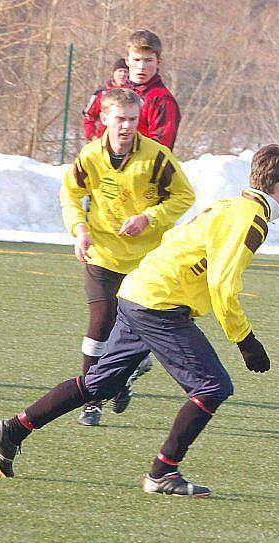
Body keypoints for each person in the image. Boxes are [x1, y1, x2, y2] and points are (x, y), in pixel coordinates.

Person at [0, 144, 279, 497]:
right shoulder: (251, 218)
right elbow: (222, 284)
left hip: (139, 291)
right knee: (213, 387)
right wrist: (245, 340)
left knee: (101, 384)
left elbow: (176, 240)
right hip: (159, 304)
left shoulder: (230, 204)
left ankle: (13, 429)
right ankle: (162, 473)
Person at [61, 87, 195, 427]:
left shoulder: (157, 157)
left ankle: (127, 372)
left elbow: (184, 196)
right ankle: (91, 401)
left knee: (138, 331)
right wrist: (80, 230)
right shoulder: (89, 157)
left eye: (133, 119)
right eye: (120, 119)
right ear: (105, 119)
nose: (126, 126)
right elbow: (70, 196)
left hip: (146, 261)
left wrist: (149, 217)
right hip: (102, 253)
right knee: (101, 322)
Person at [125, 29, 180, 150]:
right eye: (137, 60)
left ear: (158, 62)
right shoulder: (117, 93)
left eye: (148, 60)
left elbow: (160, 150)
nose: (141, 67)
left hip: (141, 166)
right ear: (127, 60)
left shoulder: (162, 100)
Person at [81, 58, 130, 141]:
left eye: (125, 72)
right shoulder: (102, 93)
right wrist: (92, 136)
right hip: (104, 141)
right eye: (120, 71)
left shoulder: (134, 94)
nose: (122, 74)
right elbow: (88, 116)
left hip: (128, 142)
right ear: (114, 73)